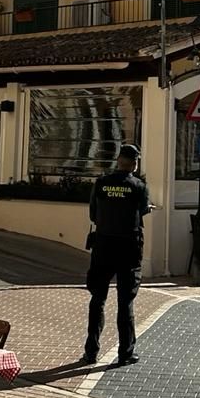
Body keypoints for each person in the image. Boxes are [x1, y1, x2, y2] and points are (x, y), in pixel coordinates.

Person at [81, 144, 150, 367]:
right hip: (129, 249)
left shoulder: (101, 183)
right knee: (125, 301)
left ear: (118, 160)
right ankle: (125, 353)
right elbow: (142, 210)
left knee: (97, 300)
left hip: (103, 246)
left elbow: (93, 213)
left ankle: (91, 351)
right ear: (135, 164)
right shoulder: (138, 186)